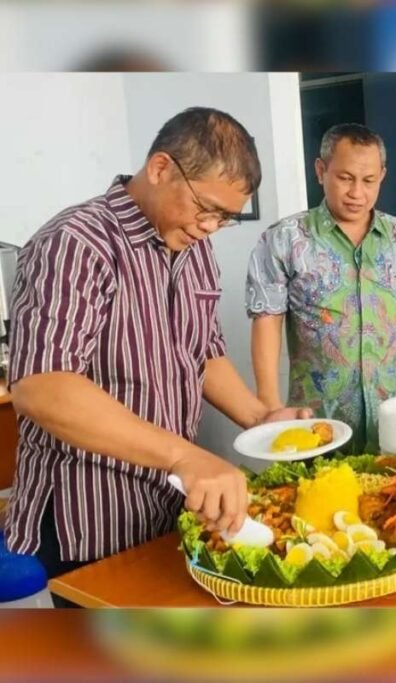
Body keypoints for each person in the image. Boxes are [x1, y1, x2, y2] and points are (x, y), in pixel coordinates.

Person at [2, 108, 311, 603]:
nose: (210, 226)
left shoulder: (192, 248)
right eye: (205, 207)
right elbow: (42, 386)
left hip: (166, 507)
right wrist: (185, 456)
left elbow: (202, 353)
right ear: (161, 168)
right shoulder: (77, 243)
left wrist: (262, 418)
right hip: (88, 519)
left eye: (225, 218)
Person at [247, 124, 396, 454]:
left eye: (368, 181)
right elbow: (267, 319)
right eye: (345, 178)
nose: (357, 193)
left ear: (382, 175)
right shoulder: (285, 239)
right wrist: (269, 403)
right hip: (320, 422)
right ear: (321, 170)